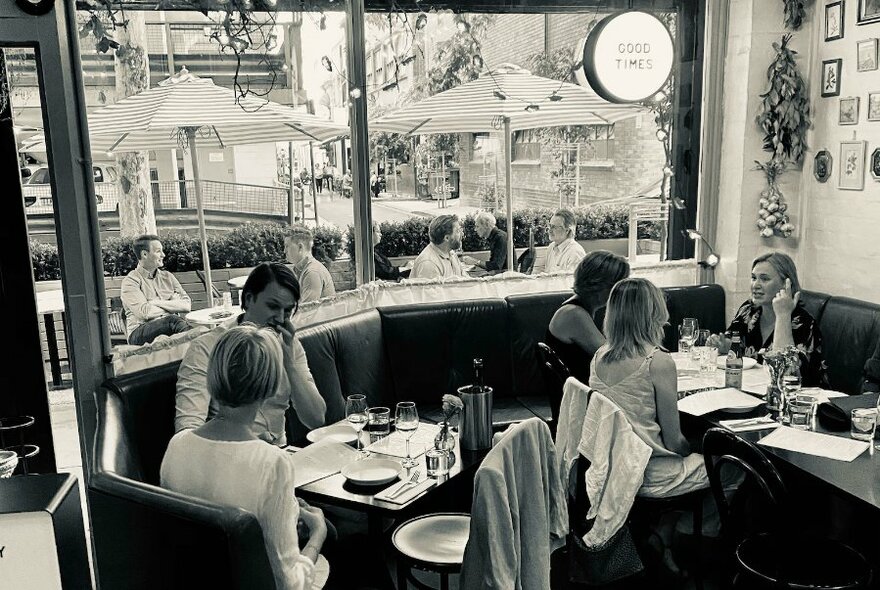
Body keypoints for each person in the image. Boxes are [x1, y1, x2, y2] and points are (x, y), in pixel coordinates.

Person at [162, 325, 329, 589]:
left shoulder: (177, 445)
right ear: (271, 386)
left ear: (212, 377)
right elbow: (288, 584)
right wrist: (318, 535)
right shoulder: (273, 462)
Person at [589, 278, 717, 574]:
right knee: (732, 465)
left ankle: (662, 536)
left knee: (701, 461)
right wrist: (696, 447)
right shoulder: (657, 361)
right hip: (648, 475)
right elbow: (674, 443)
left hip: (611, 469)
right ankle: (689, 539)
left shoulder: (598, 357)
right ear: (653, 313)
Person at [176, 262, 326, 446]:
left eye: (287, 311)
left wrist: (290, 364)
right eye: (272, 306)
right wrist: (249, 444)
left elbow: (316, 419)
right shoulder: (206, 348)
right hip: (226, 456)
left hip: (279, 453)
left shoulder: (289, 344)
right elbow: (186, 432)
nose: (280, 319)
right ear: (248, 299)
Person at [707, 252, 828, 388]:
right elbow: (734, 346)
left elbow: (787, 374)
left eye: (764, 279)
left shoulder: (803, 323)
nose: (756, 285)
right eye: (753, 278)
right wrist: (725, 346)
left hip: (798, 401)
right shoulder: (748, 310)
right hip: (752, 390)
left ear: (785, 284)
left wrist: (783, 315)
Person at [545, 250, 630, 385]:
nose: (622, 292)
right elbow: (612, 360)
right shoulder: (573, 314)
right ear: (598, 284)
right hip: (580, 399)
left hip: (585, 392)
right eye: (619, 286)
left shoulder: (583, 309)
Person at [120, 234, 192, 345]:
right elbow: (144, 313)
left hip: (171, 325)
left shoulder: (168, 277)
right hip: (139, 332)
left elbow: (187, 305)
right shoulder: (131, 281)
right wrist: (173, 304)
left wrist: (156, 303)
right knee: (174, 321)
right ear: (144, 254)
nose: (163, 255)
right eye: (158, 251)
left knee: (194, 331)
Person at [285, 225, 337, 303]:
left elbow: (307, 312)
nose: (284, 251)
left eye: (287, 246)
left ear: (300, 247)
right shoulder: (303, 269)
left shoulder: (312, 272)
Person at [410, 214, 466, 280]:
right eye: (458, 231)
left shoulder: (451, 253)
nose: (462, 234)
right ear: (447, 238)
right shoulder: (429, 263)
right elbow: (432, 290)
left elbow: (466, 280)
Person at [544, 208, 586, 273]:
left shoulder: (575, 252)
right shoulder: (551, 247)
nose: (550, 230)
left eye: (554, 227)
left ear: (567, 230)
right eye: (550, 226)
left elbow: (573, 282)